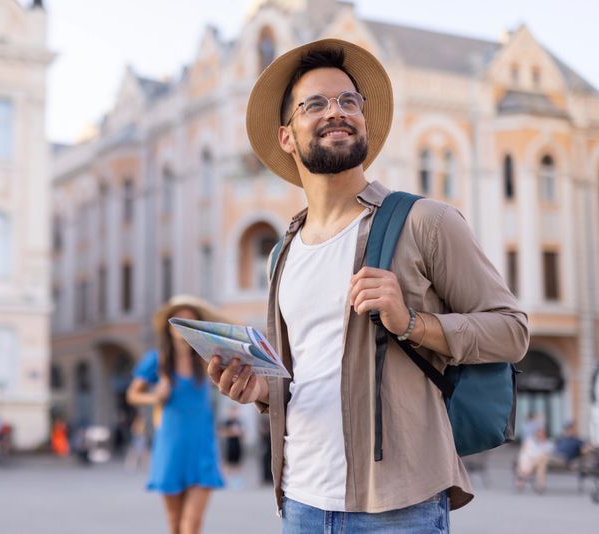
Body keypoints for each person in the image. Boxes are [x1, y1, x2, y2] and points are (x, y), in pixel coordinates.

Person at [207, 39, 529, 532]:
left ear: (364, 120)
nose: (336, 112)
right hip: (300, 502)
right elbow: (306, 379)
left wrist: (413, 323)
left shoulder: (426, 222)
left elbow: (512, 331)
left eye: (348, 101)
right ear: (287, 136)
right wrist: (261, 391)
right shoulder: (282, 253)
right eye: (315, 104)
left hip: (400, 508)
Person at [126, 295, 225, 534]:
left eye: (191, 322)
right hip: (171, 447)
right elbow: (132, 395)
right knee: (175, 526)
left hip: (201, 447)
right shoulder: (157, 361)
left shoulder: (207, 360)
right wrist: (155, 396)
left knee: (191, 527)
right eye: (179, 321)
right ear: (169, 328)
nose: (184, 327)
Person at [515, 427, 554, 493]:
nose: (540, 435)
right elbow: (526, 452)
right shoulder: (531, 441)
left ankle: (523, 476)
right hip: (529, 461)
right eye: (538, 433)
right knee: (539, 463)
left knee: (541, 458)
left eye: (542, 433)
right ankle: (540, 484)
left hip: (539, 461)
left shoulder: (548, 444)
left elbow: (548, 453)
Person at [220, 405, 245, 489]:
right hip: (229, 445)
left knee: (237, 462)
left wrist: (238, 432)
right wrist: (232, 432)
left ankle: (237, 480)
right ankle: (225, 480)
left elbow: (242, 433)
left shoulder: (238, 421)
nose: (234, 413)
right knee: (228, 463)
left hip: (237, 444)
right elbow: (223, 433)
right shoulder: (227, 422)